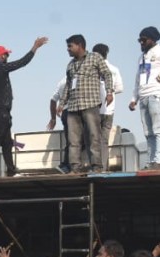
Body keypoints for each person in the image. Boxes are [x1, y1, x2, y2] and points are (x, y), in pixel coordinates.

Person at [0, 37, 48, 177]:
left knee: (6, 143)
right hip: (0, 113)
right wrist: (34, 48)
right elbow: (21, 63)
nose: (7, 57)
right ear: (0, 56)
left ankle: (11, 171)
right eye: (6, 55)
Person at [58, 35, 114, 174]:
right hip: (73, 107)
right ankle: (75, 168)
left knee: (94, 136)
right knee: (73, 140)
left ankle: (96, 167)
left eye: (70, 46)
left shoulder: (95, 57)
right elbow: (68, 85)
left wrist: (109, 92)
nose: (68, 49)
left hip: (90, 104)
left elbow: (107, 74)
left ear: (80, 45)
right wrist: (62, 103)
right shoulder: (70, 64)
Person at [128, 26, 160, 170]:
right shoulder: (141, 57)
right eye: (139, 40)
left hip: (156, 94)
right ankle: (150, 161)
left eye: (143, 40)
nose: (141, 43)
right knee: (148, 132)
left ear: (152, 39)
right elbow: (138, 79)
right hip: (143, 96)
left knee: (158, 129)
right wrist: (133, 98)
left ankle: (158, 160)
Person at [92, 43, 123, 172]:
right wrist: (110, 91)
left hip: (94, 109)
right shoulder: (114, 69)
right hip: (109, 110)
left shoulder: (92, 69)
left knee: (93, 140)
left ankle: (95, 167)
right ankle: (103, 167)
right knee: (104, 140)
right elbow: (120, 88)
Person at [46, 77, 71, 174]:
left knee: (71, 140)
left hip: (64, 112)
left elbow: (53, 100)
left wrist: (53, 118)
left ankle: (66, 164)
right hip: (73, 112)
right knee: (75, 141)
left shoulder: (61, 81)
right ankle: (67, 164)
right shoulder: (77, 78)